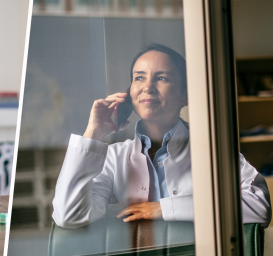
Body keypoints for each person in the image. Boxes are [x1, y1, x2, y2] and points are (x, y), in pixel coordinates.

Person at [52, 44, 271, 229]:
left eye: (162, 78)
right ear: (129, 94)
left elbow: (260, 207)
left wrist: (165, 208)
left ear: (184, 94)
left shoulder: (212, 150)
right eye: (139, 78)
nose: (147, 87)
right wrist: (94, 134)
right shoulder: (112, 158)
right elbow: (70, 215)